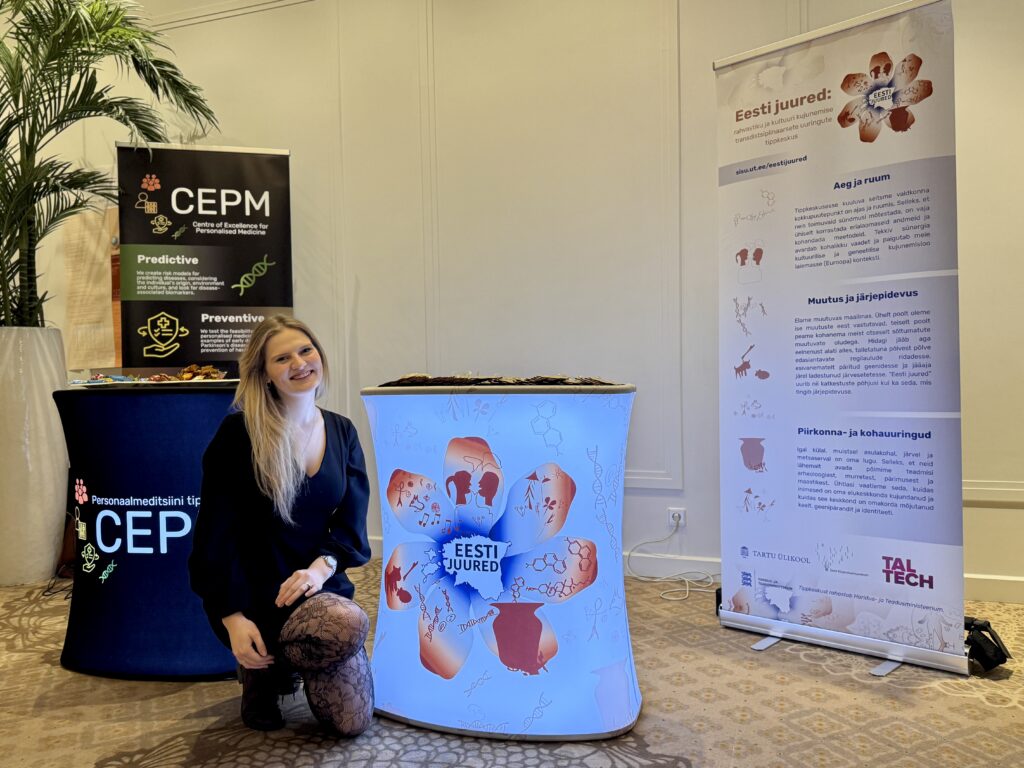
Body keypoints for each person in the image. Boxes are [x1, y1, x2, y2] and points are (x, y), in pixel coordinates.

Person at [188, 315, 373, 734]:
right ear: (264, 374)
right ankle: (264, 670)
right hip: (256, 597)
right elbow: (214, 537)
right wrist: (232, 617)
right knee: (347, 626)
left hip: (318, 592)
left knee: (351, 723)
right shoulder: (239, 433)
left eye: (306, 351)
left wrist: (320, 569)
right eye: (282, 358)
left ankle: (293, 663)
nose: (300, 363)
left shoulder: (342, 431)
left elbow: (351, 526)